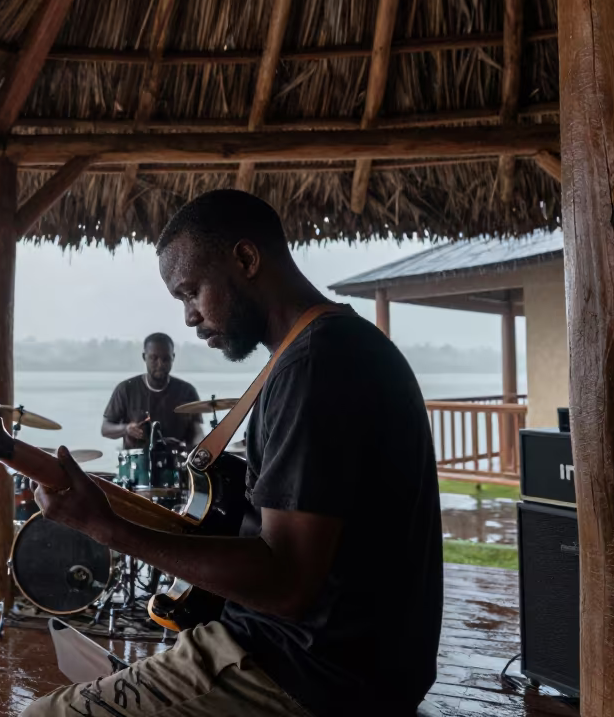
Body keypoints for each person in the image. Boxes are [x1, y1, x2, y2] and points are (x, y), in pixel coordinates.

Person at [26, 190, 443, 717]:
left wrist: (106, 527)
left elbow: (287, 581)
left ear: (245, 260)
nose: (188, 318)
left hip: (305, 670)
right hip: (330, 657)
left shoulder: (313, 366)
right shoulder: (330, 347)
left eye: (191, 291)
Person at [101, 333, 203, 449]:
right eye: (154, 358)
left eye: (166, 359)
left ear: (173, 357)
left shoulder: (187, 391)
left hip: (177, 460)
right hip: (138, 462)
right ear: (144, 357)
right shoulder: (126, 389)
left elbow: (197, 431)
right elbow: (105, 428)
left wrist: (201, 447)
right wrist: (126, 429)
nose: (160, 364)